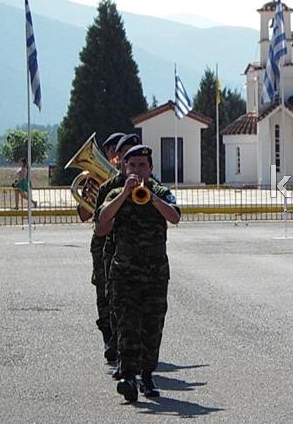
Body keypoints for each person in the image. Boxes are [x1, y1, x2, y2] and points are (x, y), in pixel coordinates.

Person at [97, 145, 180, 402]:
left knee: (152, 327)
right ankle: (128, 377)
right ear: (124, 167)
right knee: (127, 326)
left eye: (142, 165)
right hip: (124, 273)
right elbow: (102, 222)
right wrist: (124, 194)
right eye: (131, 165)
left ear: (150, 168)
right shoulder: (115, 193)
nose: (137, 170)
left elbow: (175, 217)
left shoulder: (161, 192)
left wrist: (152, 197)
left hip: (155, 273)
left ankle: (147, 375)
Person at [94, 132, 141, 379]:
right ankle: (115, 345)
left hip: (142, 256)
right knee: (112, 301)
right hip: (112, 252)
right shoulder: (108, 188)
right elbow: (97, 224)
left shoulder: (152, 187)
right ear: (120, 159)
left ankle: (133, 355)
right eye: (126, 155)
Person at [76, 132, 124, 364]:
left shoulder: (132, 178)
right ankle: (109, 338)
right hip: (102, 242)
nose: (113, 156)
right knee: (103, 291)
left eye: (117, 151)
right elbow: (83, 215)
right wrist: (88, 195)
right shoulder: (94, 180)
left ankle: (125, 340)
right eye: (109, 152)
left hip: (125, 241)